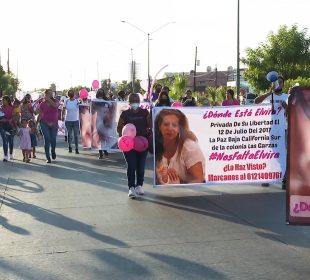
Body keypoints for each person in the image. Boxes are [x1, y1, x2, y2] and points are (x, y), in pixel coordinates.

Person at [154, 108, 205, 185]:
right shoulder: (154, 145)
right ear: (159, 126)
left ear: (180, 128)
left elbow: (198, 179)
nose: (170, 128)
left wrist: (178, 180)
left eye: (174, 125)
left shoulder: (190, 147)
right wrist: (164, 176)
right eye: (166, 124)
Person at [255, 75, 288, 188]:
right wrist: (270, 92)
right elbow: (256, 101)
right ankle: (268, 176)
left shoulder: (286, 96)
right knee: (270, 153)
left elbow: (292, 114)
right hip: (270, 129)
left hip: (283, 130)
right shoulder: (270, 96)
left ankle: (285, 179)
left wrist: (286, 107)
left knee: (284, 154)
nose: (279, 84)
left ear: (283, 84)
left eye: (280, 82)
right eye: (277, 82)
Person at [117, 93, 151, 198]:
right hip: (129, 145)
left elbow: (150, 125)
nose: (135, 102)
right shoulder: (125, 114)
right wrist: (125, 137)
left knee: (141, 167)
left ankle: (139, 185)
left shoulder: (145, 113)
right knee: (131, 166)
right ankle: (131, 188)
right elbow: (119, 128)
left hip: (142, 144)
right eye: (133, 100)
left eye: (137, 100)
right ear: (129, 102)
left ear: (139, 101)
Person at [35, 89, 60, 163]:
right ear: (45, 94)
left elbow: (55, 106)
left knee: (53, 139)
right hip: (44, 123)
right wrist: (36, 104)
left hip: (54, 123)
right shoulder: (42, 104)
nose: (50, 94)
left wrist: (48, 99)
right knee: (47, 138)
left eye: (51, 93)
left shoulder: (56, 101)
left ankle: (53, 150)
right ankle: (47, 157)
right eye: (48, 93)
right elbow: (37, 113)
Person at [93, 89, 110, 158]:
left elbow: (110, 107)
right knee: (100, 136)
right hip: (99, 120)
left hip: (104, 120)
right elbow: (93, 109)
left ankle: (103, 150)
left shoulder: (106, 101)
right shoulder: (95, 101)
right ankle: (101, 152)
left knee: (103, 136)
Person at [62, 89, 80, 154]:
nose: (71, 94)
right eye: (70, 93)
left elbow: (81, 108)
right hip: (68, 120)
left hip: (76, 120)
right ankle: (69, 146)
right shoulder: (66, 101)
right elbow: (63, 109)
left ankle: (76, 148)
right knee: (70, 135)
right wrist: (62, 116)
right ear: (68, 94)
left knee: (76, 135)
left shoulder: (77, 101)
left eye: (72, 93)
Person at [0, 95, 15, 161]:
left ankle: (11, 154)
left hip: (10, 125)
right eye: (2, 100)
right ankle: (5, 156)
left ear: (8, 101)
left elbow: (14, 117)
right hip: (2, 125)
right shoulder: (0, 108)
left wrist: (9, 120)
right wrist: (1, 120)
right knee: (4, 140)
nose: (3, 101)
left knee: (10, 141)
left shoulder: (12, 108)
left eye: (4, 100)